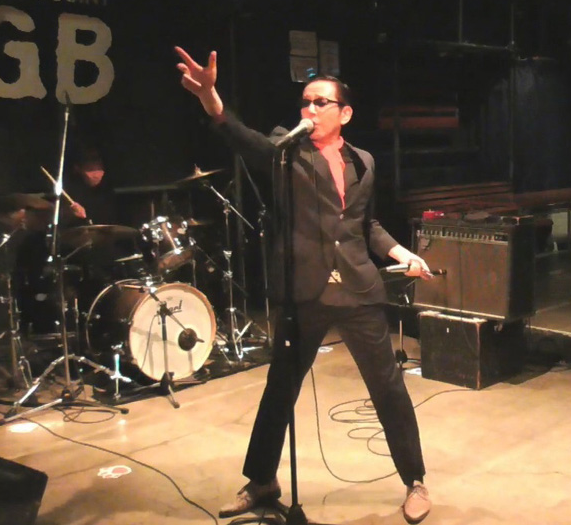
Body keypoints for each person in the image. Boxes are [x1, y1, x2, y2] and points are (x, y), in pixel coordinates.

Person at [174, 46, 433, 523]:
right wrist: (211, 97)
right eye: (305, 102)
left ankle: (414, 480)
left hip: (357, 288)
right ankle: (262, 481)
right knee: (280, 390)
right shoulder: (286, 151)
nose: (310, 109)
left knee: (388, 387)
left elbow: (366, 224)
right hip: (303, 291)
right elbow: (241, 137)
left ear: (345, 113)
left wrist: (401, 253)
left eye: (321, 102)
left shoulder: (363, 161)